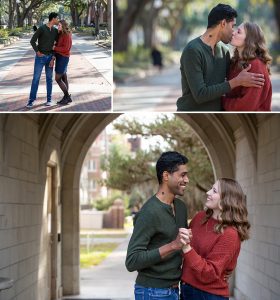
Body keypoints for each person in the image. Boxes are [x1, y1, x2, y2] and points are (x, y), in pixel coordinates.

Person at [126, 151, 190, 300]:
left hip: (175, 290)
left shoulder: (181, 207)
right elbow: (132, 261)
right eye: (182, 175)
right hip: (151, 291)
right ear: (166, 176)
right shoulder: (149, 212)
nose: (187, 180)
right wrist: (173, 245)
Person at [177, 3, 265, 111]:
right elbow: (200, 94)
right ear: (223, 23)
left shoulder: (224, 51)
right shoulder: (193, 50)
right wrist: (236, 81)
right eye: (232, 26)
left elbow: (231, 87)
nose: (233, 32)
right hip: (192, 114)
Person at [180, 178, 251, 300]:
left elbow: (210, 273)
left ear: (226, 200)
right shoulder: (199, 218)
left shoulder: (230, 234)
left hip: (209, 295)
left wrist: (186, 248)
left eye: (214, 191)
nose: (208, 192)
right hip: (187, 288)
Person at [222, 22, 272, 111]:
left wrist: (221, 101)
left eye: (238, 32)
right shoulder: (235, 62)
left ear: (249, 39)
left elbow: (245, 107)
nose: (233, 33)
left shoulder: (256, 66)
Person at [26, 12, 59, 108]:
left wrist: (53, 57)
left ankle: (49, 100)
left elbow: (56, 45)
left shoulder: (55, 31)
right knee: (36, 79)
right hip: (40, 58)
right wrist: (37, 51)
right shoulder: (42, 28)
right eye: (57, 18)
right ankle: (31, 100)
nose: (58, 20)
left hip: (50, 58)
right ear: (53, 19)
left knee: (49, 79)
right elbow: (32, 41)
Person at [49, 20, 73, 105]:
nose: (58, 27)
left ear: (63, 26)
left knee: (57, 78)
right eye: (58, 25)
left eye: (59, 25)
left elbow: (66, 49)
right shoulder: (61, 34)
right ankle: (66, 97)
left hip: (63, 58)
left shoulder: (66, 35)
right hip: (60, 57)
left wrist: (54, 48)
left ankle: (67, 96)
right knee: (64, 78)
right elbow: (59, 45)